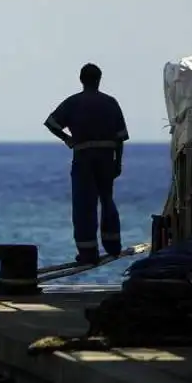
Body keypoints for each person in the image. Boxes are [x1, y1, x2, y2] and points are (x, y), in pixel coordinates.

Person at [44, 63, 129, 264]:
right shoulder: (111, 103)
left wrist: (67, 139)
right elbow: (120, 138)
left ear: (81, 80)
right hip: (107, 158)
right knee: (107, 200)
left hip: (83, 158)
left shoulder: (73, 103)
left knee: (84, 206)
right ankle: (113, 245)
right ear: (99, 79)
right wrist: (118, 163)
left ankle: (88, 252)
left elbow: (51, 123)